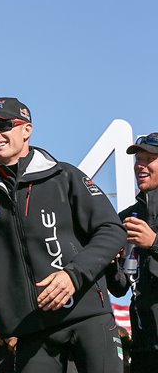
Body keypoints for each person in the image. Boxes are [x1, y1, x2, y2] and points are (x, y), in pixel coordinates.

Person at [0, 97, 127, 372]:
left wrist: (73, 274)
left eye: (3, 125)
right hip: (30, 331)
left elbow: (112, 230)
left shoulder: (64, 176)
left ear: (27, 130)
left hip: (87, 317)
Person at [105, 133, 158, 372]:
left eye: (150, 158)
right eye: (138, 159)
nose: (141, 165)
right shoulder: (128, 217)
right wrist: (109, 263)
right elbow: (120, 287)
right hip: (143, 345)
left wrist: (154, 242)